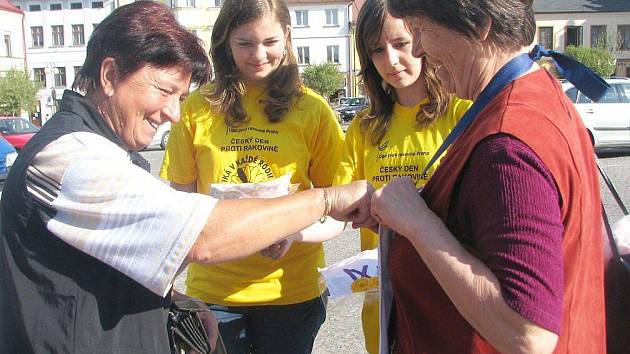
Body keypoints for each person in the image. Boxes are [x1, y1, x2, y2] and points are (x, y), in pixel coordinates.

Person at [0, 2, 375, 353]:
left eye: (181, 96)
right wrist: (327, 199)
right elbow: (201, 237)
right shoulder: (74, 159)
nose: (174, 115)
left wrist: (173, 299)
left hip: (290, 296)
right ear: (110, 75)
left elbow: (109, 260)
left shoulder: (104, 148)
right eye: (164, 91)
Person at [370, 0, 606, 353]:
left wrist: (418, 223)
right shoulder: (536, 93)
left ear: (480, 23)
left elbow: (528, 336)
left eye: (420, 29)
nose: (417, 48)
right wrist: (408, 212)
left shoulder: (507, 146)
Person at [159, 0, 347, 352]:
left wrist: (294, 231)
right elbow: (178, 208)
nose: (258, 55)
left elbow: (336, 212)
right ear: (225, 42)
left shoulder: (313, 110)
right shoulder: (197, 108)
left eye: (270, 42)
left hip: (291, 293)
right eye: (244, 43)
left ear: (287, 37)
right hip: (213, 294)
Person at [332, 0, 471, 352]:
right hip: (386, 301)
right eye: (377, 50)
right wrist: (288, 232)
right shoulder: (364, 128)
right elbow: (336, 212)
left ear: (423, 40)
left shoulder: (462, 113)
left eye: (400, 44)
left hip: (451, 293)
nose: (390, 61)